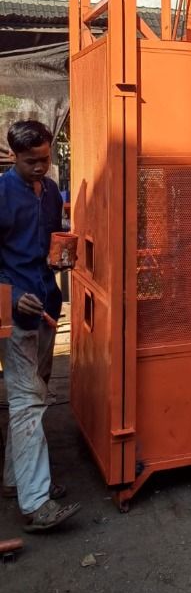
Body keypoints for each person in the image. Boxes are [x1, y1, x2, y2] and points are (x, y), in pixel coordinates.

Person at [0, 120, 80, 532]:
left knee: (33, 393)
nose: (40, 167)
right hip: (14, 315)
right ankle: (35, 503)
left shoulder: (49, 190)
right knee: (28, 399)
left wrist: (62, 253)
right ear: (14, 156)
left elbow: (51, 236)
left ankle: (15, 480)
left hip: (47, 302)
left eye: (45, 159)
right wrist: (14, 295)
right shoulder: (1, 194)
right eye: (31, 161)